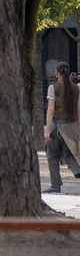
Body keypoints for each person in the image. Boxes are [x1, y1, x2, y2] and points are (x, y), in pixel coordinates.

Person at [44, 62, 80, 193]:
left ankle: (55, 185)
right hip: (70, 127)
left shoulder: (53, 88)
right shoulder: (76, 88)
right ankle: (78, 171)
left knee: (52, 155)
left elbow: (50, 110)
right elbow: (78, 110)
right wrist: (78, 129)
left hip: (56, 127)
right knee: (69, 155)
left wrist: (47, 130)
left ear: (57, 73)